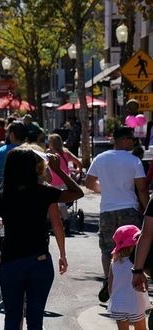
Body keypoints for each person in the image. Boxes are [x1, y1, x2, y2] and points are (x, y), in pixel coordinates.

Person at [0, 148, 84, 330]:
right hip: (39, 261)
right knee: (35, 318)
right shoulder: (44, 192)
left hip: (11, 262)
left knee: (12, 318)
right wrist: (59, 170)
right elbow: (77, 193)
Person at [85, 126, 149, 303]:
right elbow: (142, 188)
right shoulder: (134, 161)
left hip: (107, 209)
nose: (132, 142)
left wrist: (103, 189)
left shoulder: (100, 158)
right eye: (130, 139)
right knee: (132, 248)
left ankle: (108, 280)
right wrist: (146, 210)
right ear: (122, 140)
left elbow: (89, 182)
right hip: (129, 209)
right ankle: (130, 281)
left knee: (107, 248)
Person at [108, 225, 149, 330]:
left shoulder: (114, 263)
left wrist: (113, 299)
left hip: (118, 304)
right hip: (135, 304)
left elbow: (110, 284)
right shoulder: (137, 264)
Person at [0, 121, 26, 192]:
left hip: (3, 195)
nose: (5, 134)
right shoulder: (33, 152)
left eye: (7, 132)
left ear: (12, 134)